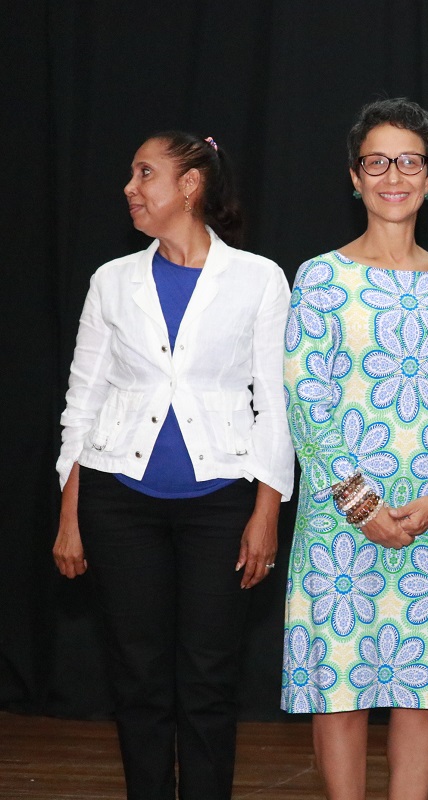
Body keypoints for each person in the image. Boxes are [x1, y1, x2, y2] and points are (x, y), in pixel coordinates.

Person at [53, 131, 293, 799]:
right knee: (138, 677)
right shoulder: (111, 280)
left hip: (222, 503)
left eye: (145, 174)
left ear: (190, 186)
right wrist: (70, 514)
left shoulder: (259, 279)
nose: (131, 188)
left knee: (209, 679)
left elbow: (274, 403)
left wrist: (267, 511)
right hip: (116, 502)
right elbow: (83, 401)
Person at [281, 98, 428, 800]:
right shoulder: (318, 278)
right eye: (377, 162)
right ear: (354, 176)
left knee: (421, 688)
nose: (393, 175)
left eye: (409, 161)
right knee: (340, 689)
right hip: (340, 519)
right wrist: (361, 500)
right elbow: (307, 400)